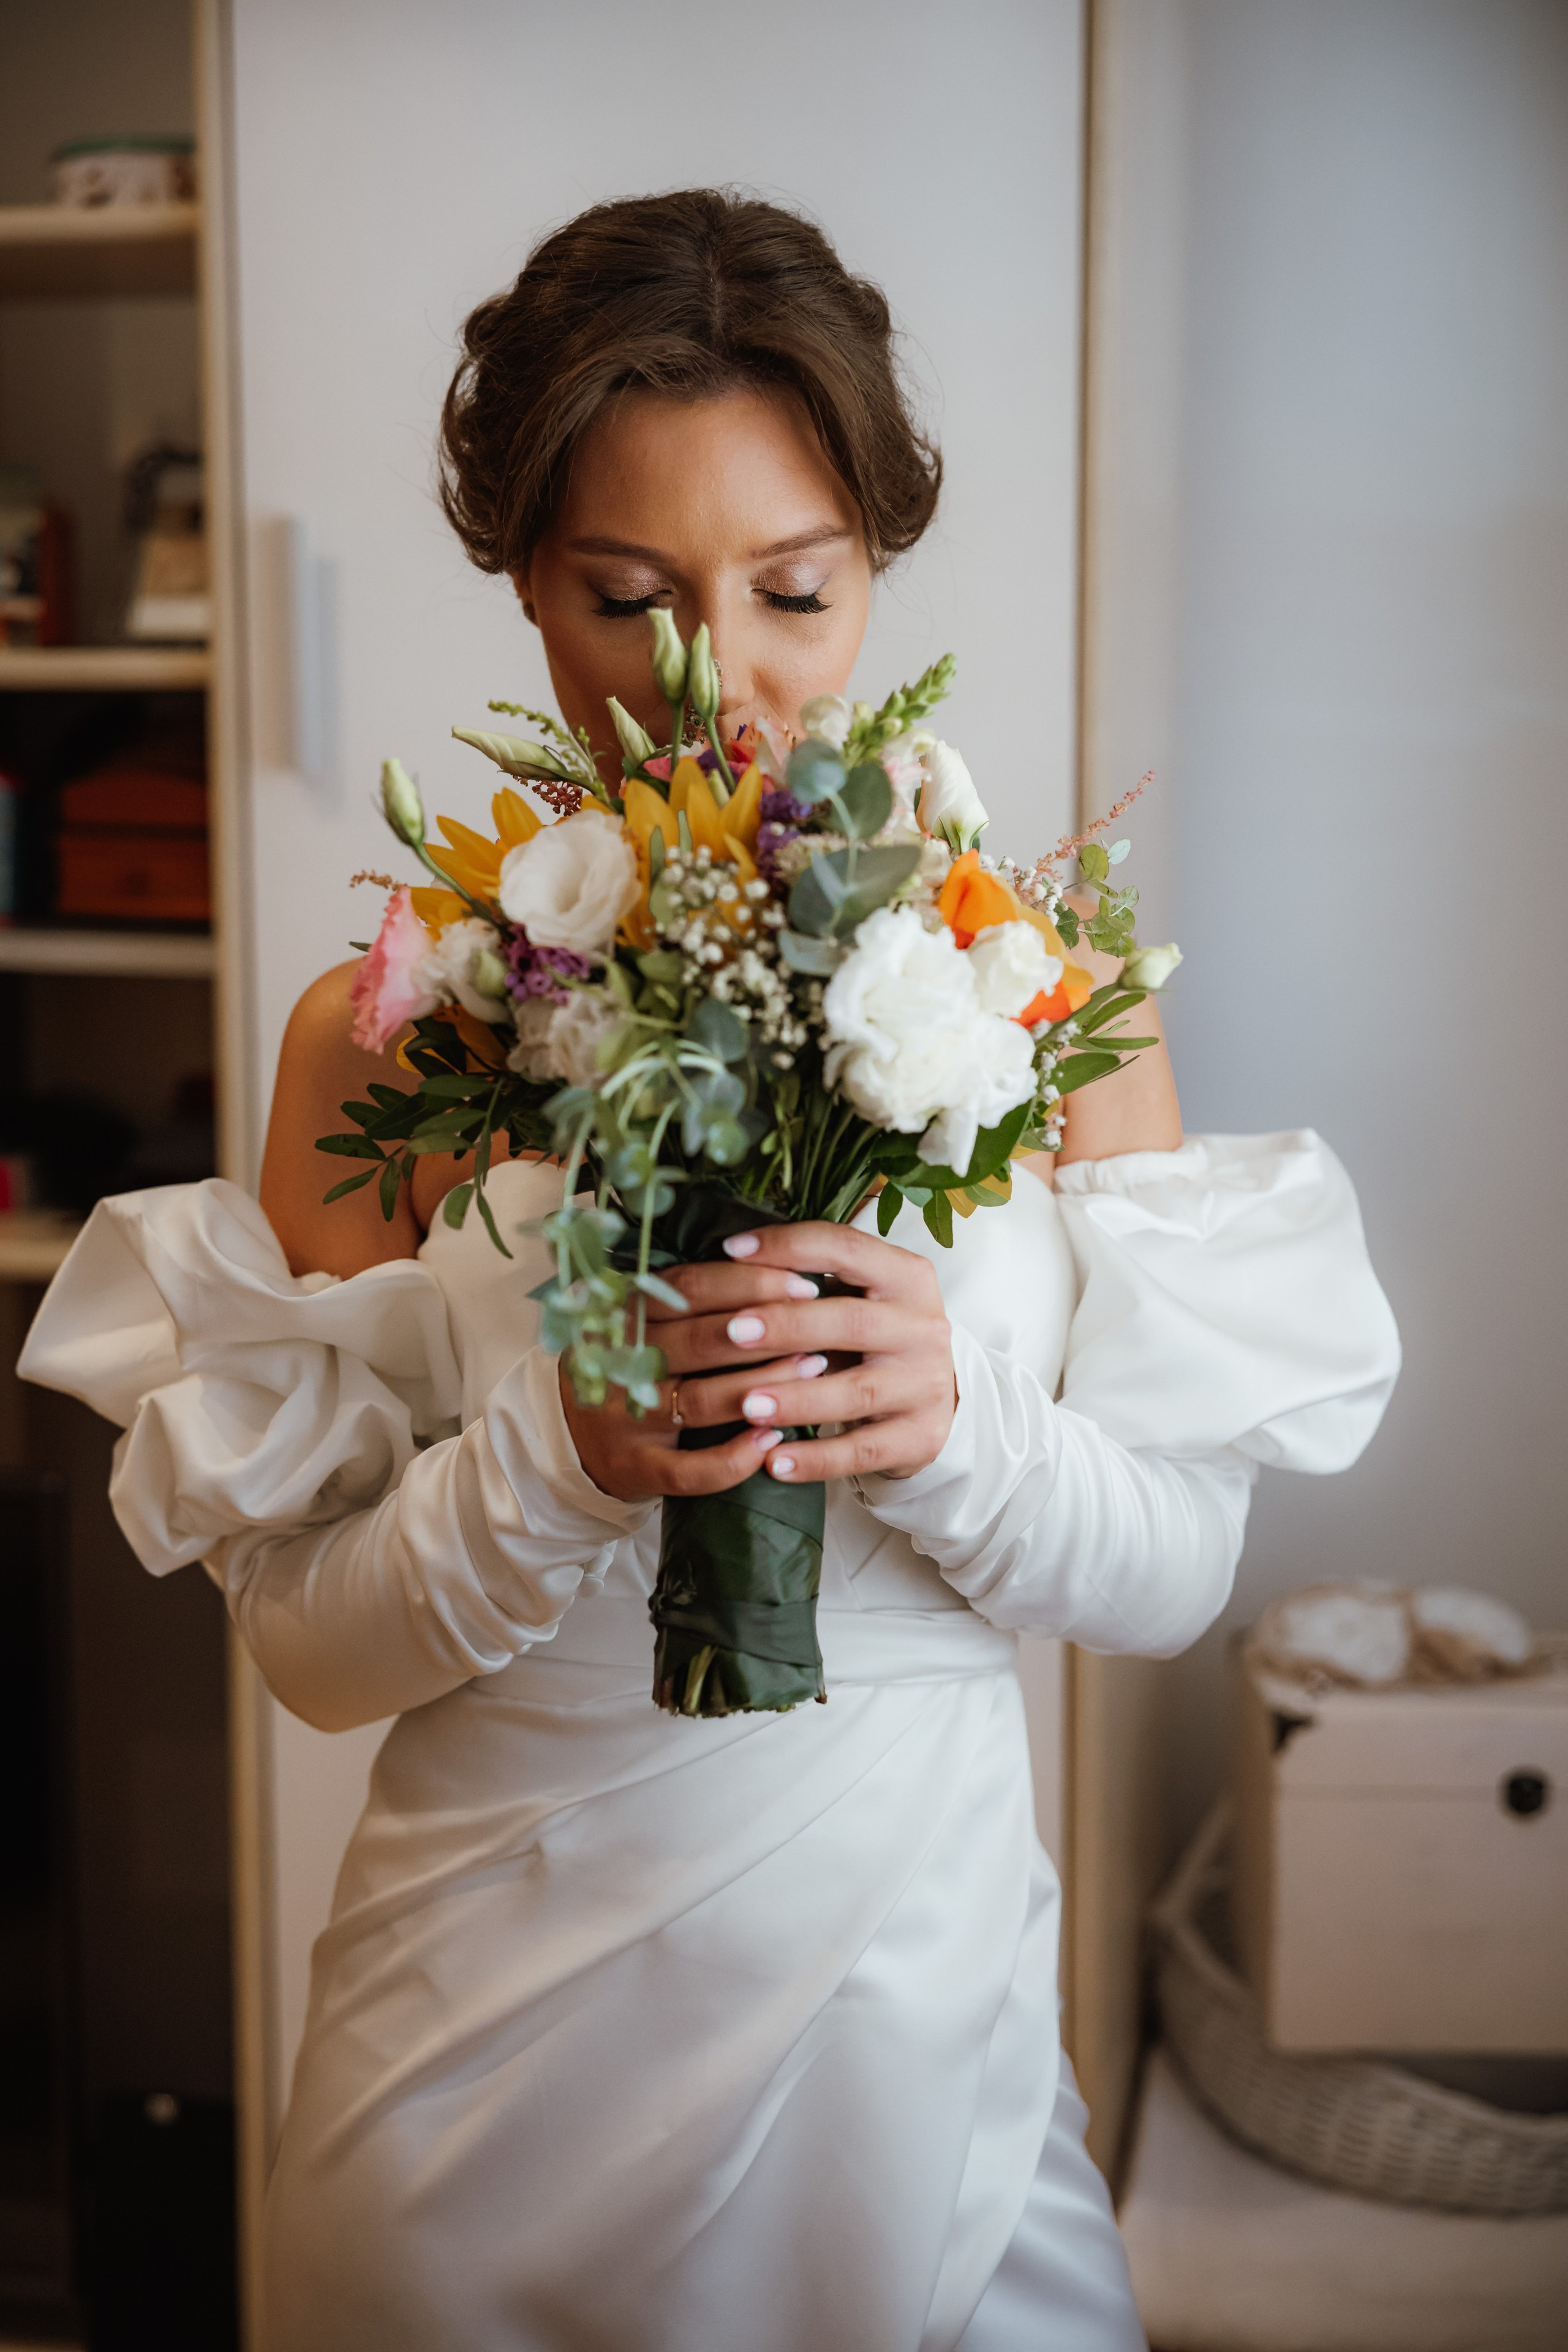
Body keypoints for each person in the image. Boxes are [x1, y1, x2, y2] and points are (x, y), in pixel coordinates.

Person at [20, 190, 1400, 2351]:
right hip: (481, 2071)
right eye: (625, 595)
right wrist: (553, 1474)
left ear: (876, 572)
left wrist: (961, 1436)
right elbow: (309, 1647)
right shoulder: (383, 1034)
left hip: (913, 2034)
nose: (715, 680)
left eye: (795, 593)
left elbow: (1168, 1575)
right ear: (522, 581)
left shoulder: (1053, 994)